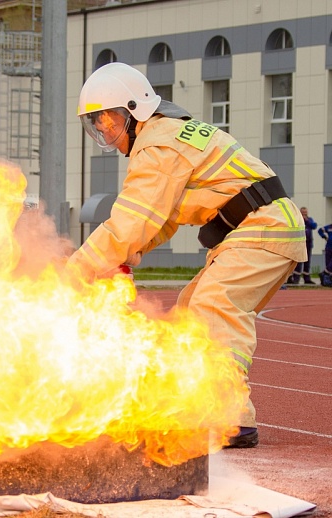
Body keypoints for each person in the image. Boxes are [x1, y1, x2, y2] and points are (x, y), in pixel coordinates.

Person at [66, 62, 307, 449]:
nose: (105, 130)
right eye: (98, 123)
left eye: (109, 120)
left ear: (134, 111)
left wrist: (73, 272)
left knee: (213, 307)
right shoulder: (169, 136)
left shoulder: (158, 145)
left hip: (261, 228)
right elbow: (158, 221)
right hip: (260, 227)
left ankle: (230, 419)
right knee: (189, 310)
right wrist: (122, 259)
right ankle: (194, 407)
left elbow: (131, 222)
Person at [287, 207, 317, 284]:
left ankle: (307, 278)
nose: (304, 214)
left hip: (308, 243)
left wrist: (306, 220)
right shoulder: (297, 220)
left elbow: (314, 226)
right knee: (299, 261)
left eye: (305, 213)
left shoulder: (309, 220)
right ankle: (296, 279)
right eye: (302, 213)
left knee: (307, 262)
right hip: (300, 243)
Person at [318, 222, 332, 287]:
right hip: (329, 247)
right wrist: (324, 236)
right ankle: (325, 280)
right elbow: (320, 230)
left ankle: (324, 274)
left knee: (330, 265)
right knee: (328, 263)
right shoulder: (329, 227)